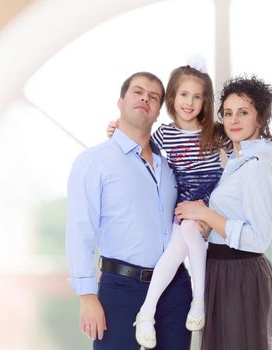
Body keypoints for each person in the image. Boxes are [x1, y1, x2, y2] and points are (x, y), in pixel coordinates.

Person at [66, 72, 193, 350]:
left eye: (154, 96)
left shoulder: (170, 166)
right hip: (120, 290)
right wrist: (87, 296)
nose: (145, 98)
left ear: (159, 110)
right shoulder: (94, 161)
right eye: (138, 92)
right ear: (121, 102)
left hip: (174, 290)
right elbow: (80, 230)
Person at [106, 63, 223, 348]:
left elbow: (241, 149)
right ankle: (154, 312)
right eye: (184, 95)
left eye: (197, 97)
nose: (190, 103)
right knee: (174, 250)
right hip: (181, 208)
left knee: (191, 233)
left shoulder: (215, 133)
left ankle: (188, 302)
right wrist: (115, 131)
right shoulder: (163, 136)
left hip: (206, 205)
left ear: (205, 101)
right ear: (172, 98)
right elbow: (138, 146)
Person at [175, 75, 272, 350]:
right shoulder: (239, 163)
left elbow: (258, 238)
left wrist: (205, 214)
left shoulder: (257, 167)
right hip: (223, 271)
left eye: (243, 112)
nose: (233, 120)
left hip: (239, 275)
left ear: (260, 118)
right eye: (227, 113)